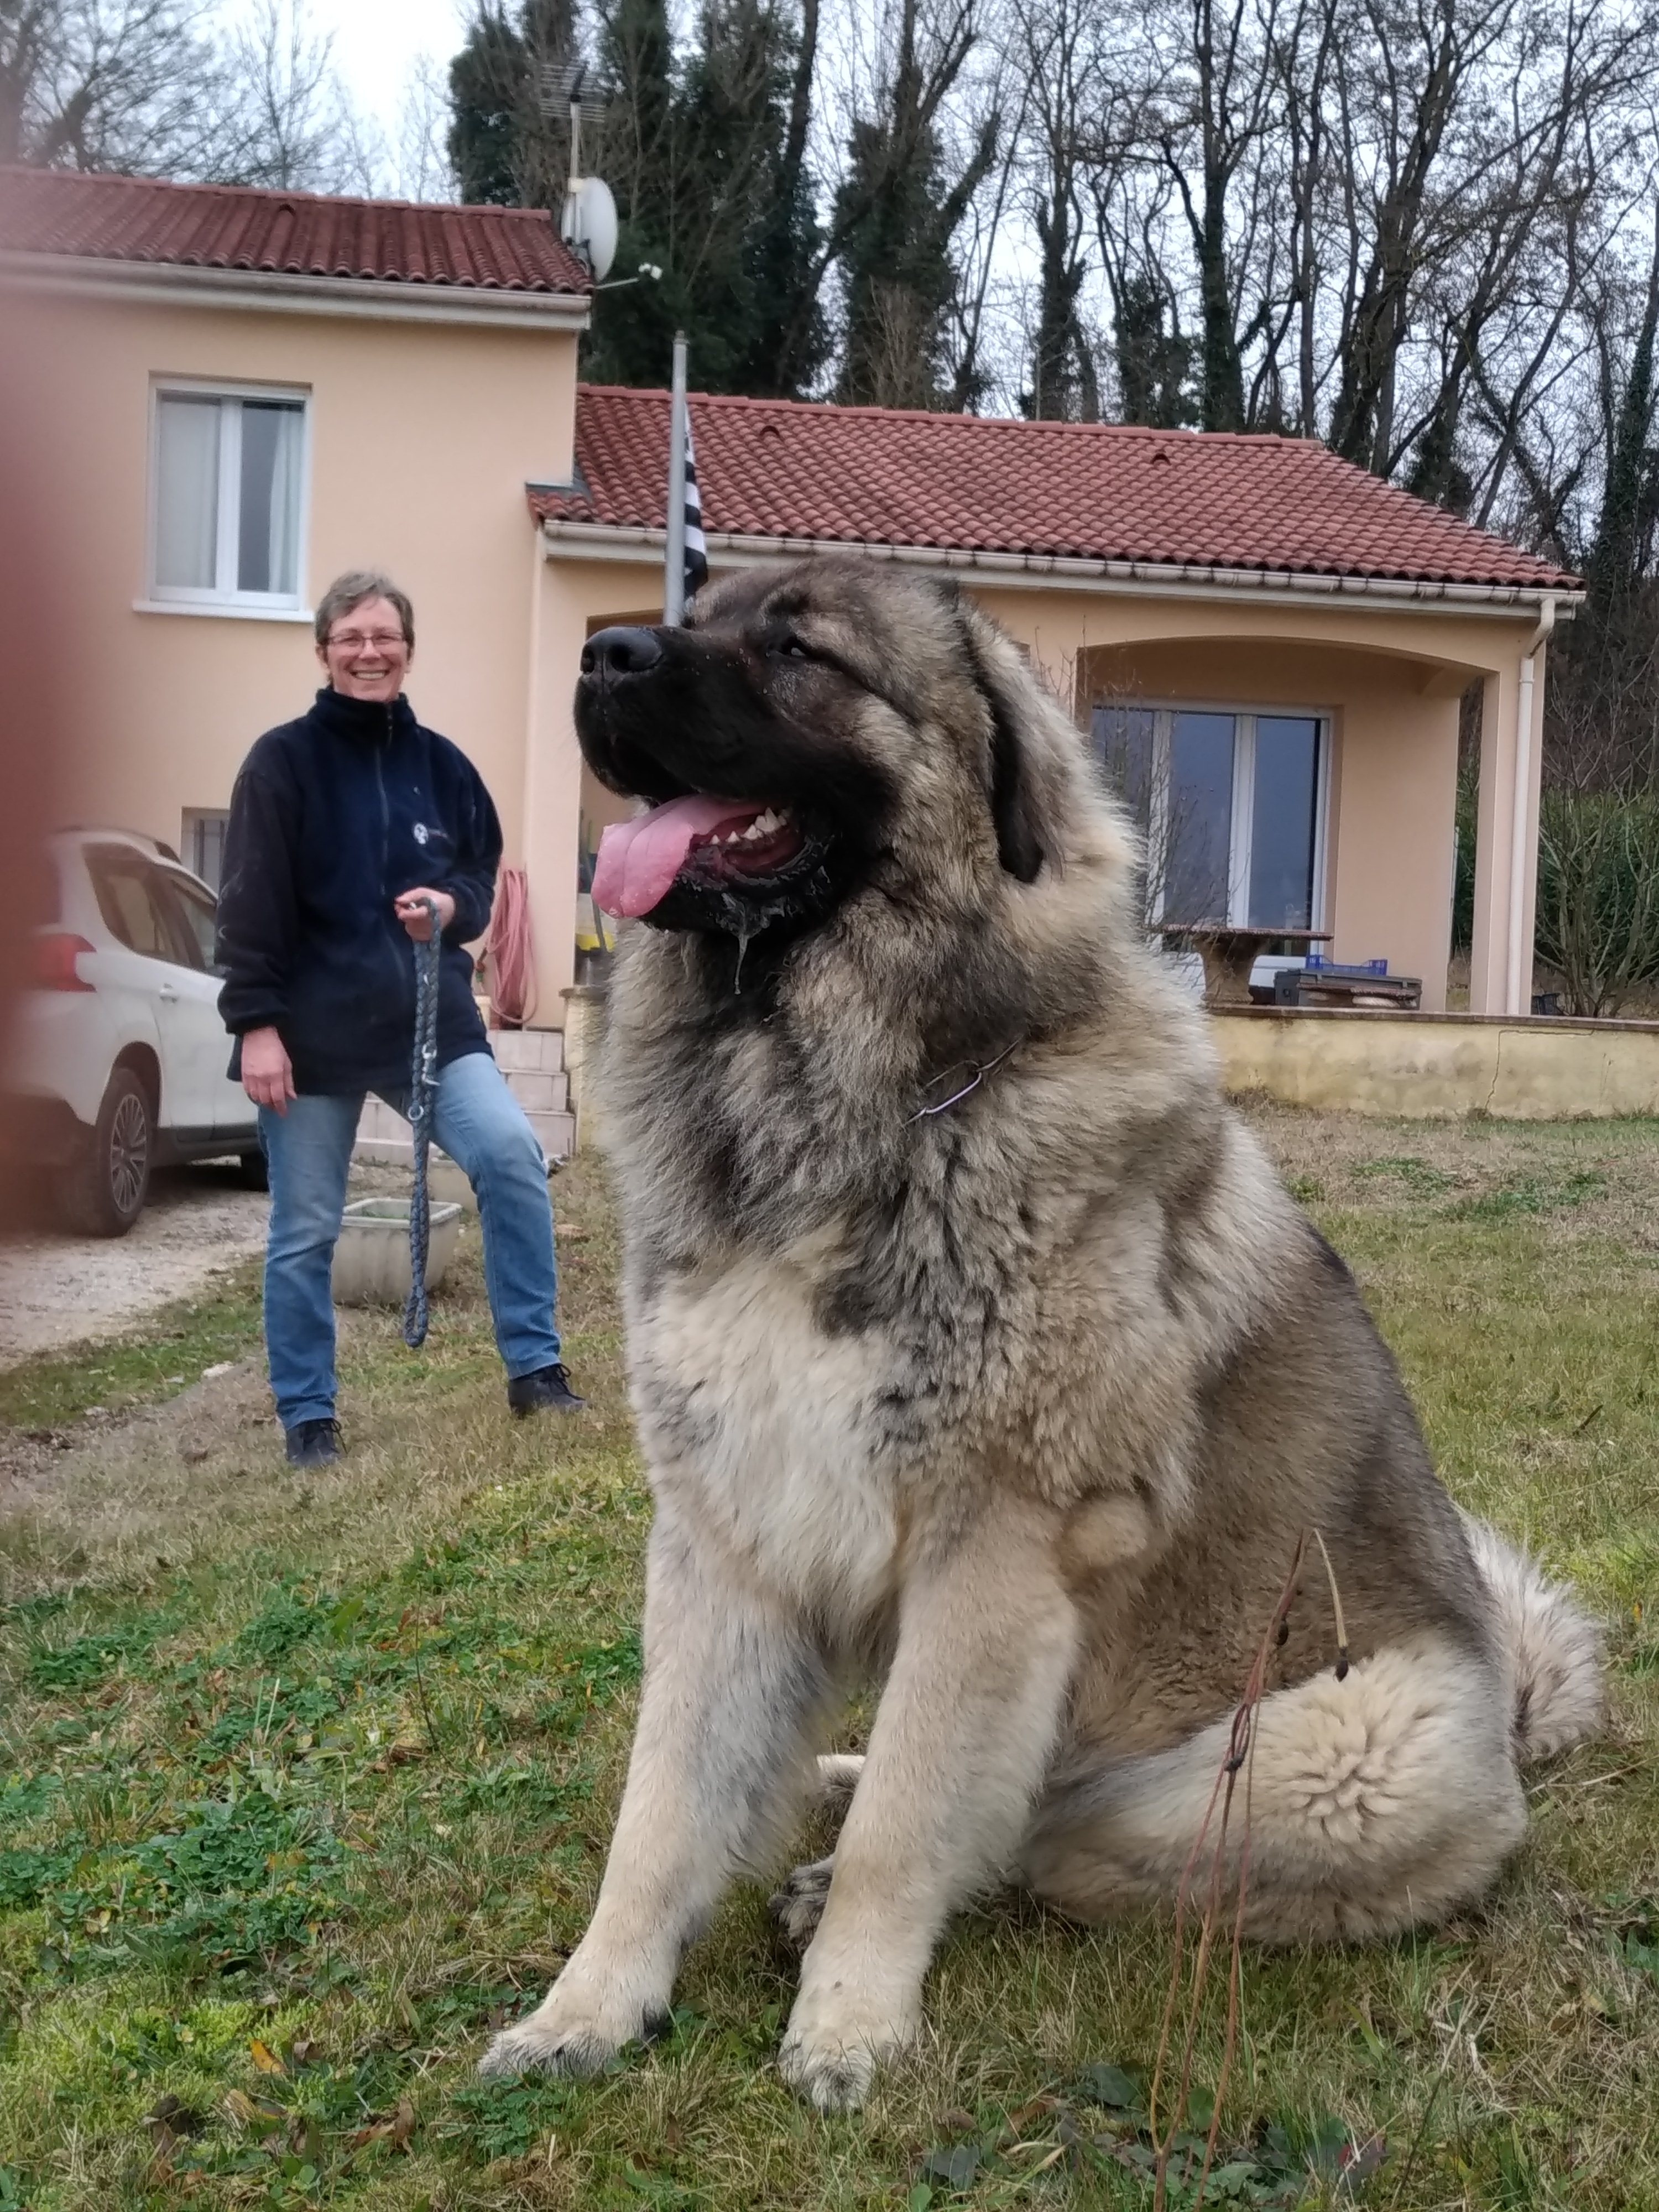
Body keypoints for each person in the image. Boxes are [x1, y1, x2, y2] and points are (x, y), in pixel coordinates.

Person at [216, 569, 582, 1468]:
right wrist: (255, 1026)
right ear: (325, 652)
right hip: (311, 1037)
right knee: (305, 1230)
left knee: (510, 1159)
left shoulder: (445, 767)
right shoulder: (281, 762)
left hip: (432, 1023)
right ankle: (310, 1418)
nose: (369, 652)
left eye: (385, 637)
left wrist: (451, 911)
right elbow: (251, 904)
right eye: (352, 638)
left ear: (408, 652)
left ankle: (535, 1371)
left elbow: (478, 874)